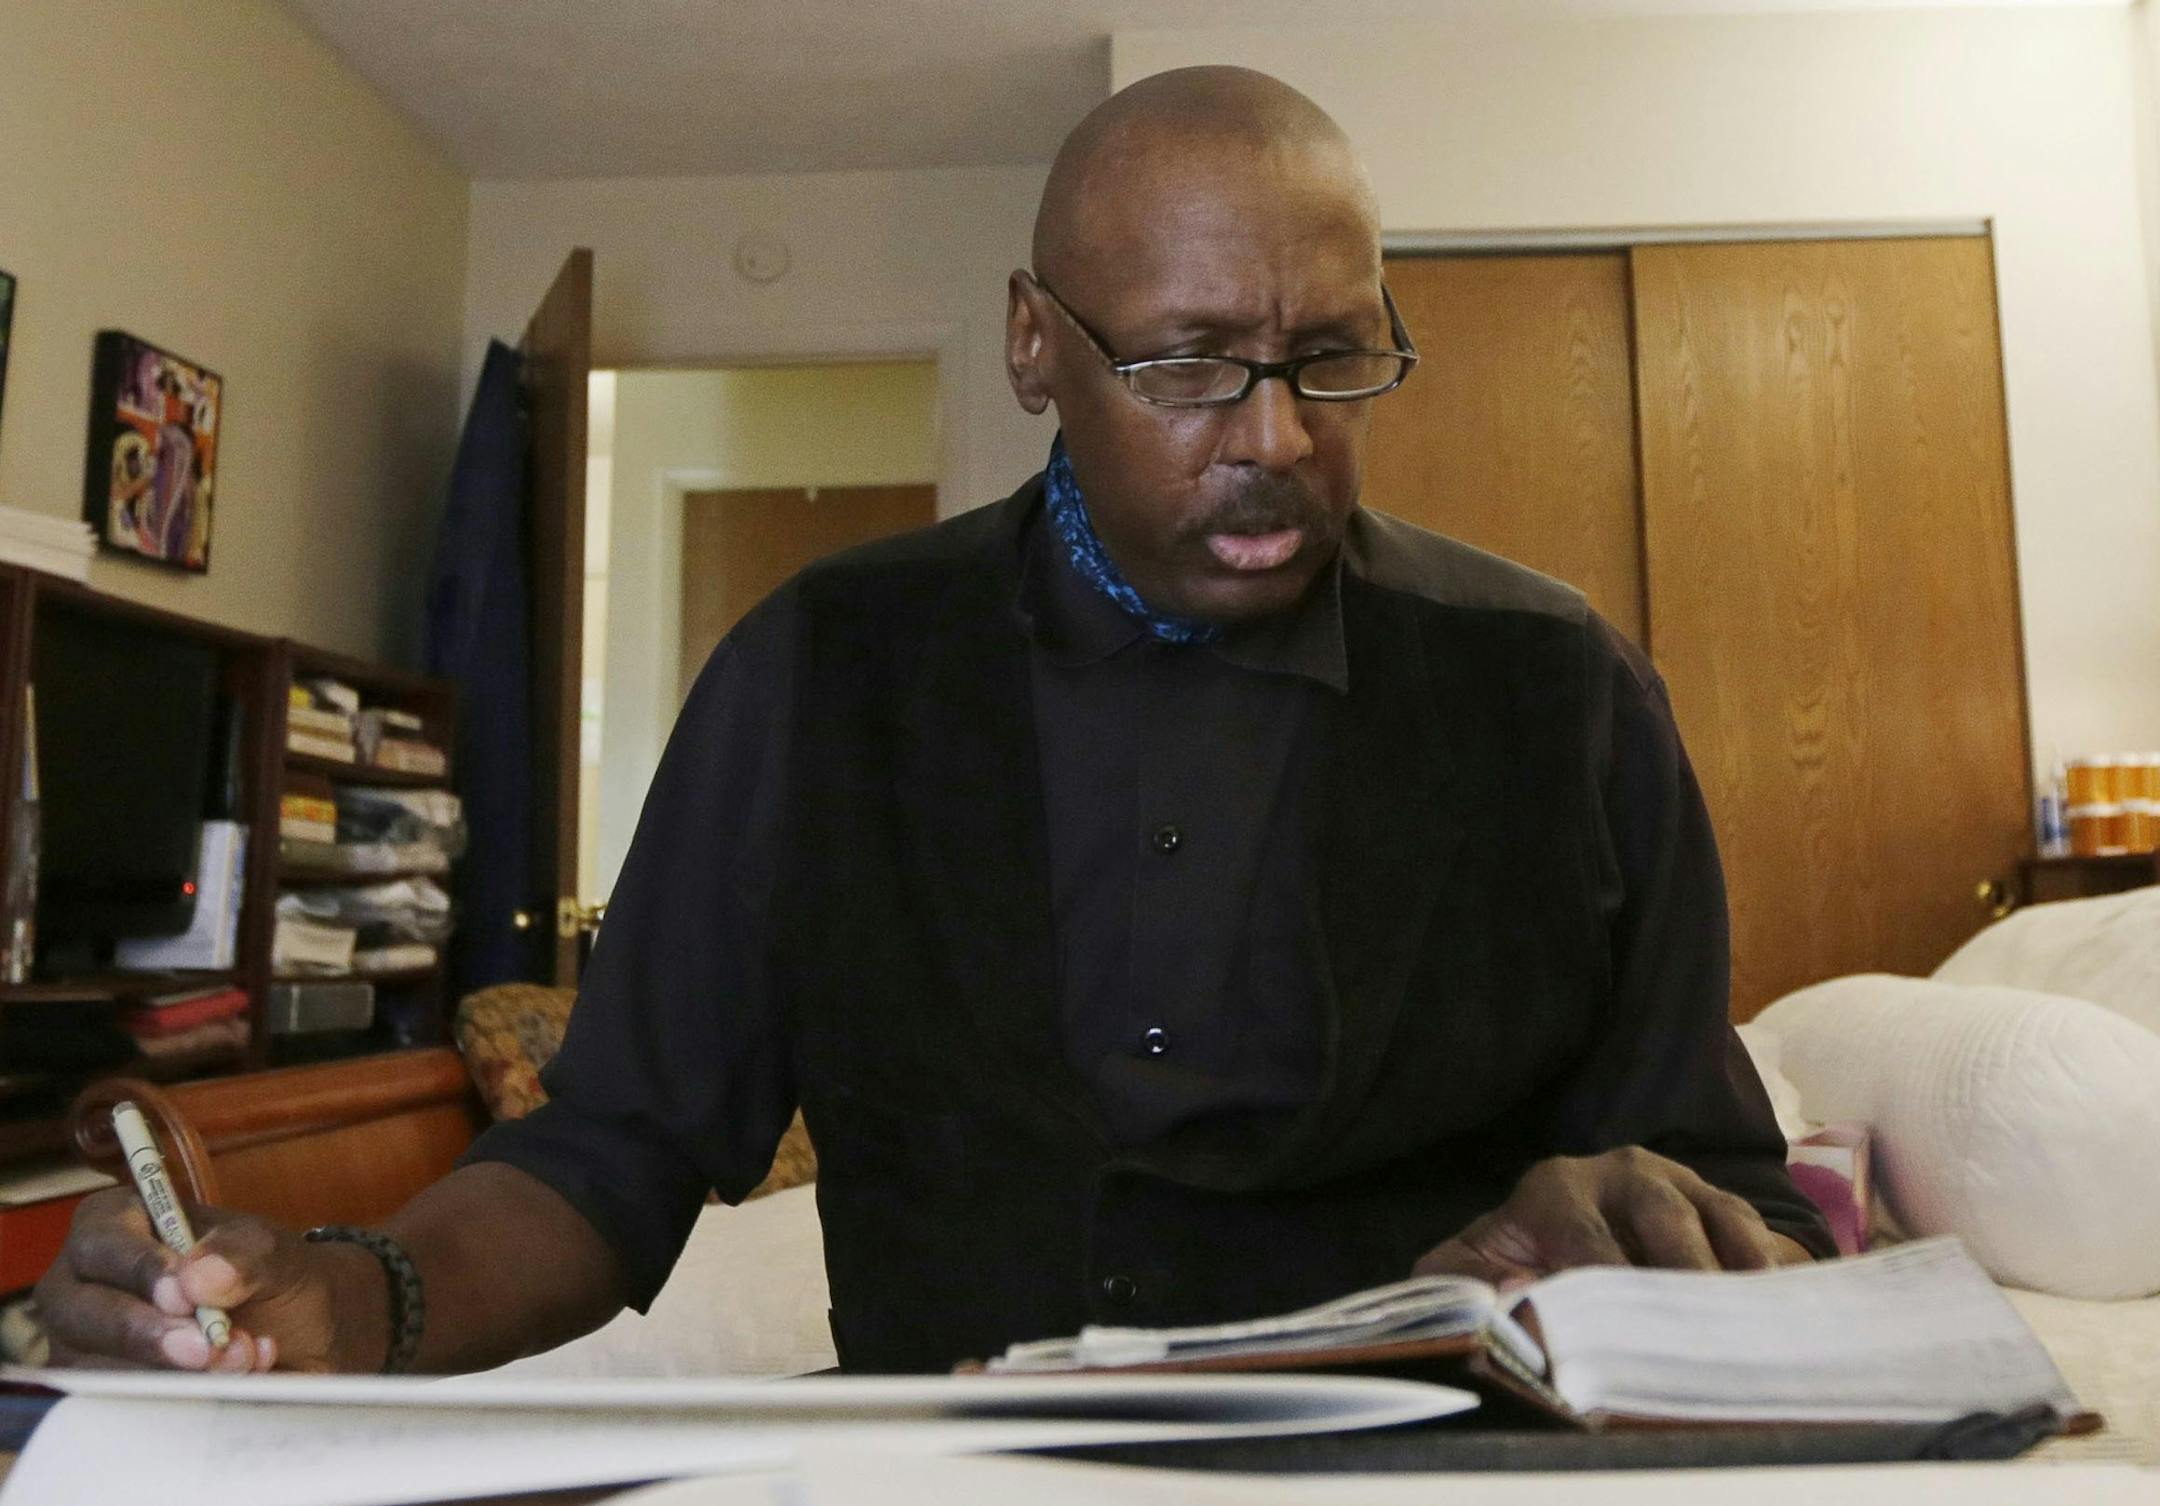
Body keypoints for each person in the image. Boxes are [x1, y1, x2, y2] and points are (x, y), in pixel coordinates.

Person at [37, 66, 1830, 1378]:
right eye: (1189, 362)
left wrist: (1646, 1215)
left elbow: (1729, 1180)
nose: (1276, 435)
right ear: (1033, 346)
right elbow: (617, 1149)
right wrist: (355, 1297)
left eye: (1332, 359)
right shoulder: (818, 671)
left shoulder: (1561, 689)